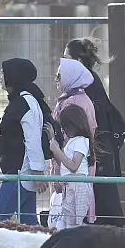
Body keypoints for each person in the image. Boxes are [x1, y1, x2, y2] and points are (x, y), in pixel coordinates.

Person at [65, 37, 125, 226]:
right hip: (99, 148)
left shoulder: (87, 84)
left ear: (78, 61)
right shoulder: (88, 81)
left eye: (66, 57)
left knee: (104, 201)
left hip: (98, 149)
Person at [0, 58, 50, 223]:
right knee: (29, 224)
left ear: (13, 76)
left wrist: (38, 173)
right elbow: (16, 132)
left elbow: (33, 139)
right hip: (21, 173)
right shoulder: (19, 101)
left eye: (3, 73)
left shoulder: (25, 102)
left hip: (20, 173)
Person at [50, 58, 98, 223]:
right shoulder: (71, 98)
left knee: (73, 221)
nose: (56, 79)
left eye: (59, 76)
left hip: (73, 172)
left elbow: (72, 161)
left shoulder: (74, 102)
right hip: (68, 167)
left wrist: (56, 151)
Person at [47, 105, 96, 230]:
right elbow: (64, 163)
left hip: (78, 186)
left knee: (74, 225)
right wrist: (53, 141)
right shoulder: (72, 141)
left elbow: (74, 166)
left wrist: (57, 150)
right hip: (69, 185)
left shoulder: (81, 141)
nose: (63, 130)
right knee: (68, 223)